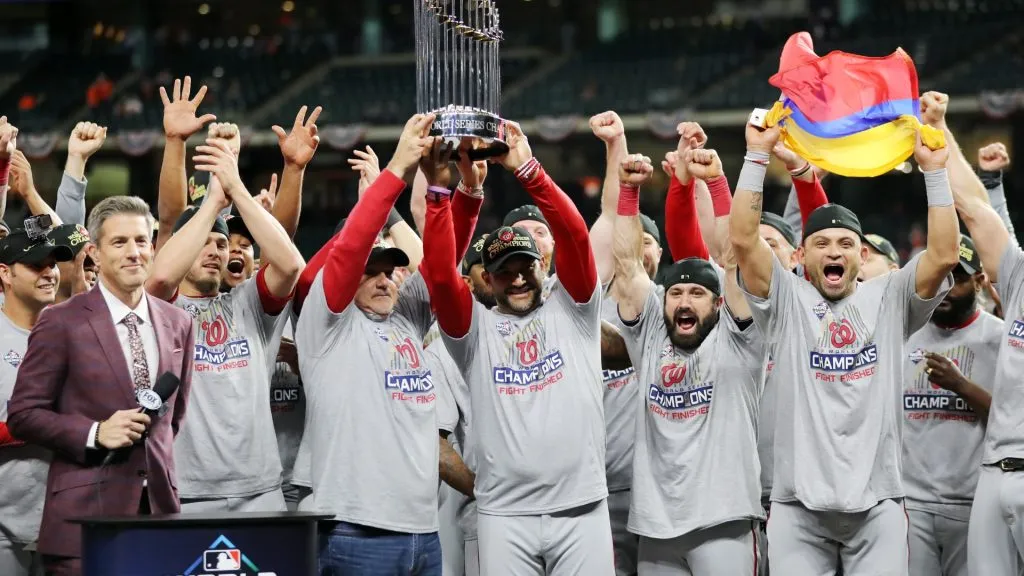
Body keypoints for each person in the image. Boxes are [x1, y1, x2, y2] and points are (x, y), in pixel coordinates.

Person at [729, 116, 958, 575]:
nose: (834, 251)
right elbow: (742, 240)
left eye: (845, 244)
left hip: (878, 503)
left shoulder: (890, 297)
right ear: (799, 256)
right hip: (797, 508)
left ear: (861, 255)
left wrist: (934, 172)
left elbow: (944, 255)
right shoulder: (787, 300)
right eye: (821, 243)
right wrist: (756, 156)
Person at [421, 123, 614, 576]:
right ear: (488, 279)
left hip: (581, 508)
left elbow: (575, 237)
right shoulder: (474, 334)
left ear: (543, 266)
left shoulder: (575, 310)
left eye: (526, 266)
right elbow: (441, 277)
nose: (520, 277)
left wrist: (528, 170)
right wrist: (438, 193)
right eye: (505, 271)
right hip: (502, 515)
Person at [7, 196, 195, 576]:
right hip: (83, 522)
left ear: (153, 245)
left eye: (141, 241)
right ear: (94, 251)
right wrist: (95, 432)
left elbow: (173, 420)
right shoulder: (61, 321)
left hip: (159, 514)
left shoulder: (179, 322)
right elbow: (23, 414)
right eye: (119, 242)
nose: (133, 253)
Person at [293, 114, 444, 574]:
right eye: (369, 269)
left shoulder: (408, 317)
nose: (382, 279)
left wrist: (438, 183)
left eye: (388, 271)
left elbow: (439, 265)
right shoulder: (328, 322)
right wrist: (397, 170)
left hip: (424, 529)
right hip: (357, 530)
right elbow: (349, 248)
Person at [612, 150, 767, 573]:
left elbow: (735, 257)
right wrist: (628, 192)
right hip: (657, 526)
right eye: (676, 293)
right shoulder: (650, 337)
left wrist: (718, 183)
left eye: (697, 294)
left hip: (725, 522)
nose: (684, 301)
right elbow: (626, 266)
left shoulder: (739, 339)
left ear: (718, 303)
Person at [146, 139, 304, 513]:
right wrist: (212, 204)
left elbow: (291, 265)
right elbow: (160, 276)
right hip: (187, 489)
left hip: (261, 489)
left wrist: (235, 189)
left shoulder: (248, 302)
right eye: (205, 242)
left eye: (221, 243)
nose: (216, 250)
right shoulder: (164, 309)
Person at [902, 235, 999, 576]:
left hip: (976, 503)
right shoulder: (900, 332)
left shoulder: (1001, 339)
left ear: (980, 281)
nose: (945, 288)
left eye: (956, 278)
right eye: (938, 276)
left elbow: (1013, 420)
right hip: (909, 502)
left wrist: (961, 386)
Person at [0, 226, 73, 576]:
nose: (49, 272)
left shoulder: (76, 332)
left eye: (53, 263)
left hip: (62, 517)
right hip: (2, 521)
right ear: (5, 274)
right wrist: (36, 426)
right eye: (34, 265)